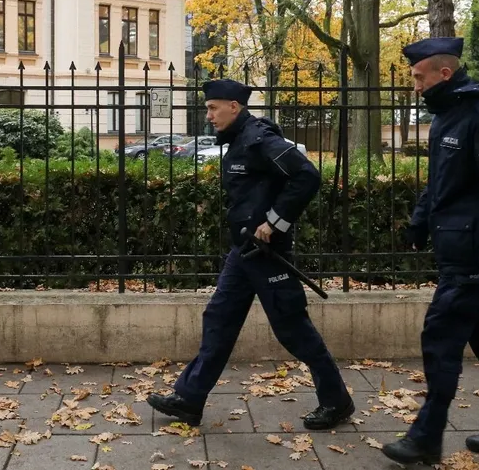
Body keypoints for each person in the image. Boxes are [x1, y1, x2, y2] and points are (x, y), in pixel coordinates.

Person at [147, 79, 355, 430]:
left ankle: (337, 401)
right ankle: (190, 399)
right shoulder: (239, 140)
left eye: (214, 108)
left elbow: (306, 175)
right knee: (219, 319)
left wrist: (275, 222)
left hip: (267, 253)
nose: (209, 115)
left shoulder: (259, 140)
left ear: (234, 106)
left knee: (293, 330)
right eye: (208, 108)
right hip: (244, 250)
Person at [382, 38, 479, 465]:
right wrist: (418, 221)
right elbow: (442, 181)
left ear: (443, 74)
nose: (414, 86)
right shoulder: (450, 115)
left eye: (418, 77)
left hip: (473, 258)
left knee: (440, 337)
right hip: (459, 248)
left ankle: (426, 437)